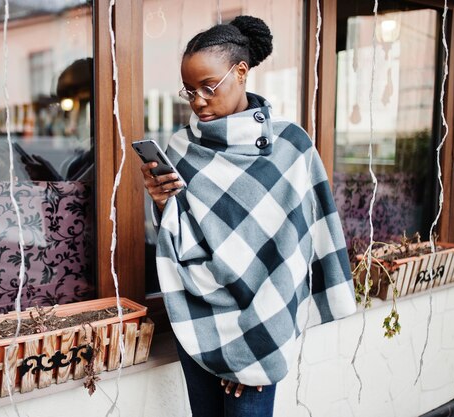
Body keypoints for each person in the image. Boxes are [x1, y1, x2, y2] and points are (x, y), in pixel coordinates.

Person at [140, 16, 357, 417]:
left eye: (209, 87)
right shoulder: (181, 148)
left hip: (262, 327)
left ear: (241, 72)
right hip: (199, 322)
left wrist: (252, 348)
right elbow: (183, 242)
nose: (198, 101)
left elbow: (289, 257)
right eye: (189, 91)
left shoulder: (290, 145)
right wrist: (162, 203)